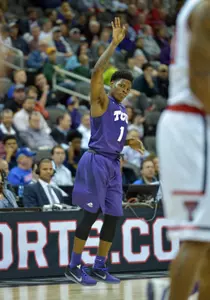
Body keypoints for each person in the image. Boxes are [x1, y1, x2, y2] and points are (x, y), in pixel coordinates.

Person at [65, 18, 144, 286]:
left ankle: (100, 265)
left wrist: (128, 142)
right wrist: (113, 44)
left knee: (113, 217)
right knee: (90, 213)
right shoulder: (101, 100)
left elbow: (112, 136)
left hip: (113, 163)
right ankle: (74, 265)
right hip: (96, 161)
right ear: (112, 85)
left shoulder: (122, 109)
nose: (123, 88)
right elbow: (96, 73)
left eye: (127, 87)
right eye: (120, 84)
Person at [148, 0, 210, 300]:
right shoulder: (204, 9)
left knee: (205, 243)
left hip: (194, 125)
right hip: (192, 125)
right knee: (196, 238)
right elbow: (201, 81)